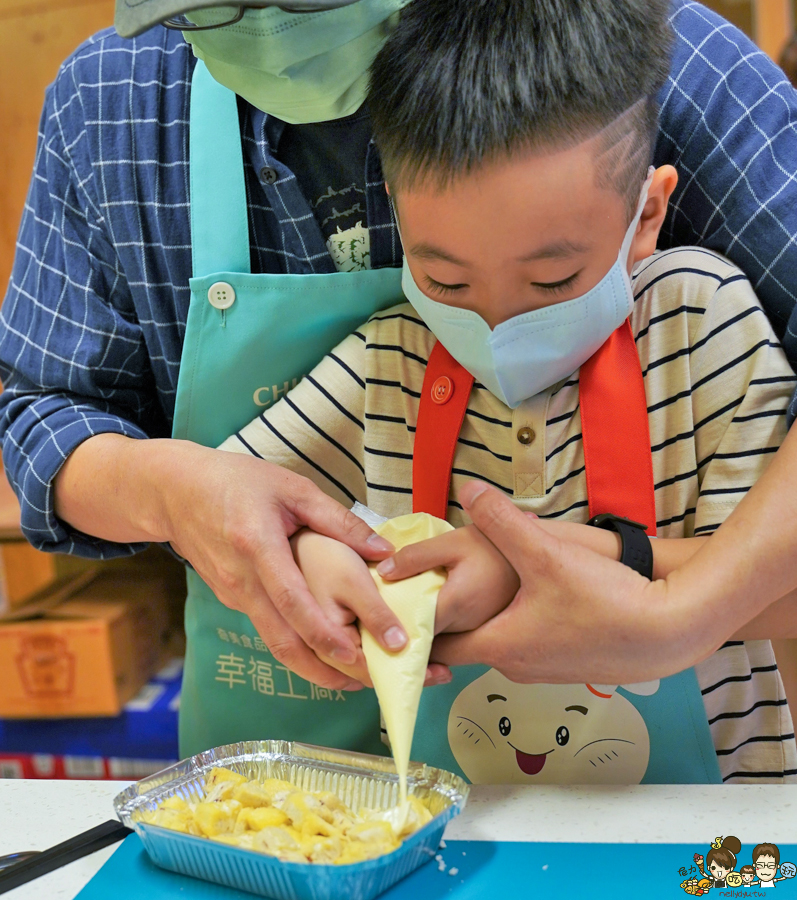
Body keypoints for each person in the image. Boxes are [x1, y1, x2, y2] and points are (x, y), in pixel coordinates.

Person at [4, 0, 797, 756]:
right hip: (299, 773)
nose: (493, 327)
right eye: (444, 283)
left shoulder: (650, 75)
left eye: (551, 283)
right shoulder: (109, 108)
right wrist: (181, 493)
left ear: (647, 216)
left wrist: (673, 606)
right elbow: (42, 412)